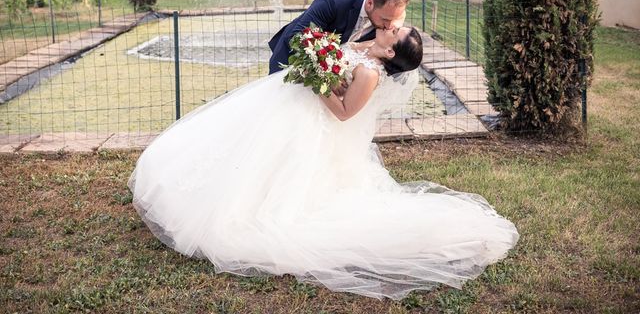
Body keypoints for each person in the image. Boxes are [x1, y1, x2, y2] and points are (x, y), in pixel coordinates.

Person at [129, 26, 519, 301]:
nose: (391, 28)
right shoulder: (367, 51)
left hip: (313, 123)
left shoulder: (370, 73)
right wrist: (321, 59)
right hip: (291, 110)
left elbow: (345, 114)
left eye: (395, 33)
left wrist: (317, 78)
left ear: (390, 51)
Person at [268, 0, 409, 74]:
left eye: (394, 20)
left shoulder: (389, 17)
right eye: (385, 19)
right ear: (370, 3)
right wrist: (328, 75)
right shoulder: (333, 0)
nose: (389, 26)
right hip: (289, 63)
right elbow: (297, 37)